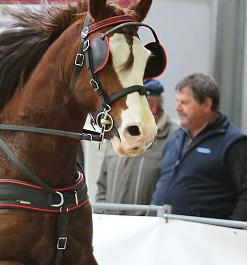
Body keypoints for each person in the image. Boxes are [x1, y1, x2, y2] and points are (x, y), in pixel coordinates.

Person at [151, 73, 247, 221]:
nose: (177, 108)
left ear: (207, 104)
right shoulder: (175, 139)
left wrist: (231, 232)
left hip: (206, 239)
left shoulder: (234, 143)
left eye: (184, 102)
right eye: (177, 101)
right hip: (162, 234)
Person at [96, 79, 179, 212]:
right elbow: (102, 185)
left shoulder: (175, 137)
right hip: (111, 226)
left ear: (152, 106)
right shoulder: (118, 131)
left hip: (148, 229)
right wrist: (101, 214)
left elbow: (171, 190)